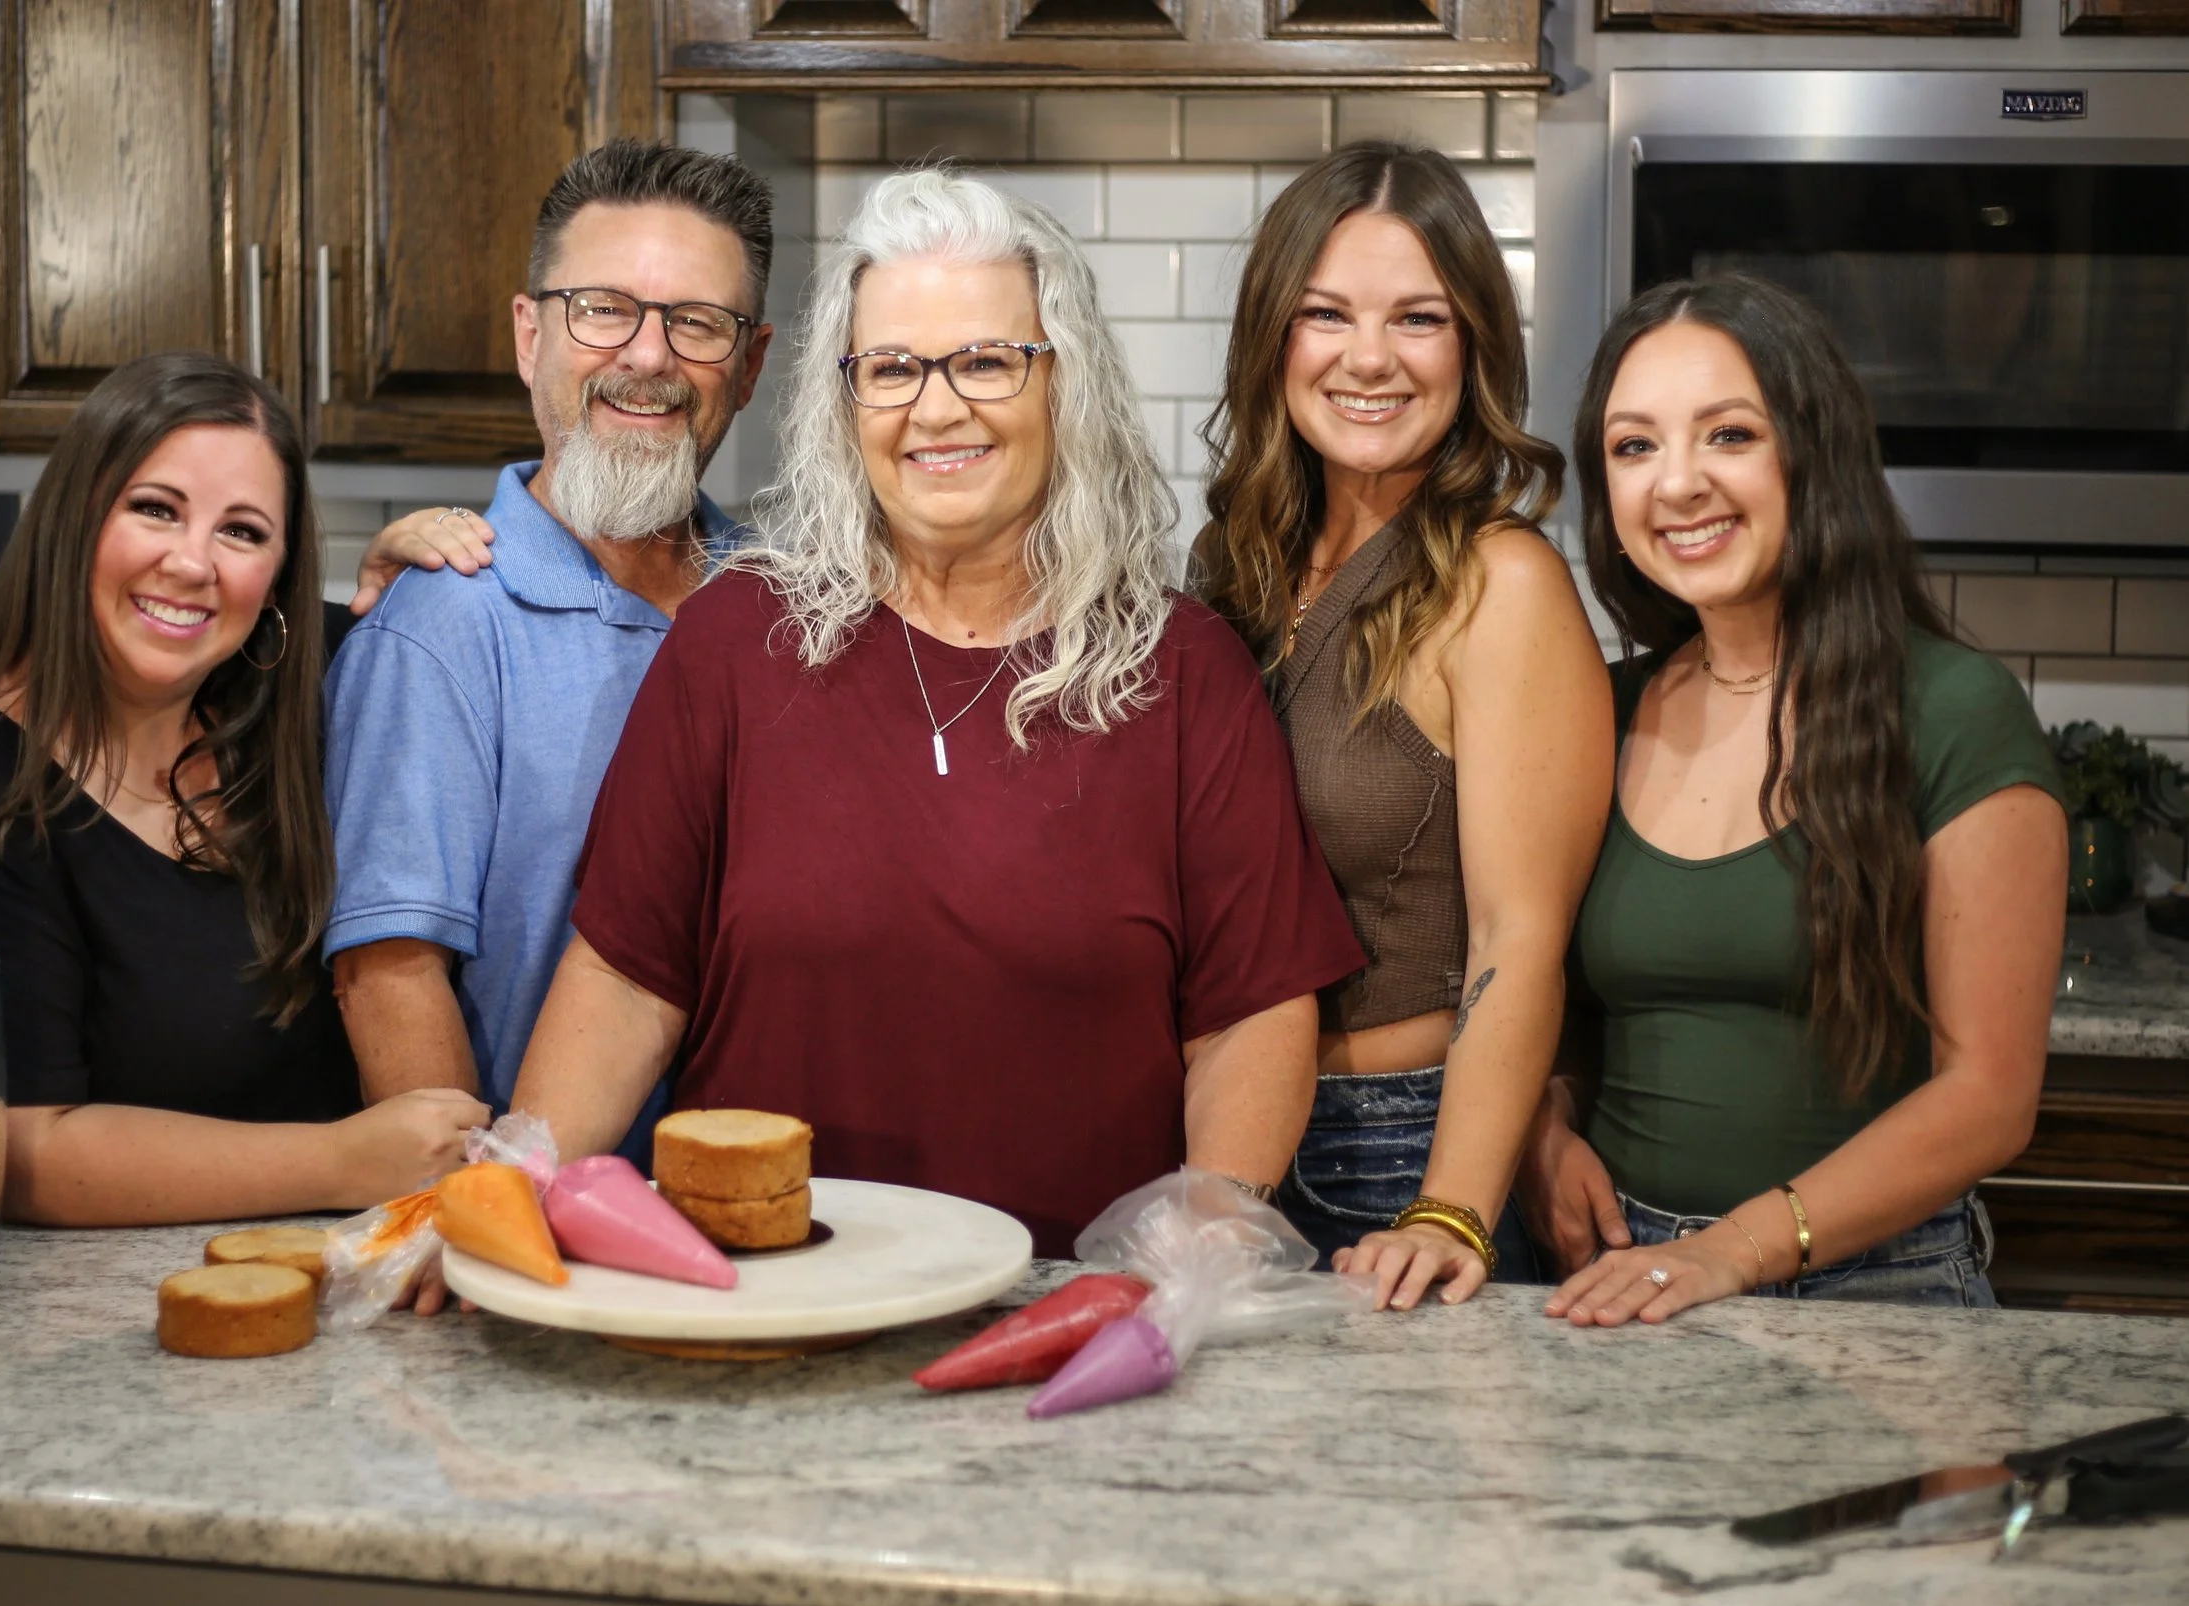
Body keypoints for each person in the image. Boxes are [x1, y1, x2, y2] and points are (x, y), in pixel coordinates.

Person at [511, 169, 1365, 1257]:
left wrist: (1200, 1237)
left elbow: (1250, 1012)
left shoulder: (1183, 670)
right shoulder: (733, 644)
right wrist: (512, 1189)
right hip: (764, 1296)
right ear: (844, 399)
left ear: (1065, 384)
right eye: (894, 368)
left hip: (1069, 1314)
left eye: (985, 361)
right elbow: (627, 983)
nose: (936, 405)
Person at [1524, 273, 2066, 1322]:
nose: (1675, 483)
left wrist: (1731, 1251)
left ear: (1810, 455)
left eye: (1727, 435)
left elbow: (1990, 1098)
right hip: (1614, 1279)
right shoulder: (1603, 708)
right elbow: (1571, 1008)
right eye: (1633, 447)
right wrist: (1542, 1133)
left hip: (1875, 1290)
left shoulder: (1954, 711)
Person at [0, 351, 489, 1225]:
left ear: (278, 576)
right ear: (74, 517)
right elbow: (20, 1150)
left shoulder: (311, 690)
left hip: (364, 1273)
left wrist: (409, 594)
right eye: (156, 509)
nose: (193, 565)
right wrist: (347, 1162)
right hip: (109, 1306)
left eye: (243, 532)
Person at [1192, 142, 1614, 1309]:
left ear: (1471, 344)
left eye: (1417, 318)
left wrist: (1453, 1207)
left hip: (1405, 1147)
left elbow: (1520, 939)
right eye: (1325, 314)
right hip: (1233, 1142)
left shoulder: (1499, 581)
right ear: (1273, 338)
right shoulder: (1235, 565)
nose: (1367, 357)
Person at [322, 139, 774, 1186]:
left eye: (696, 322)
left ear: (748, 368)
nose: (647, 357)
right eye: (601, 307)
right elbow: (390, 975)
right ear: (531, 336)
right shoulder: (438, 625)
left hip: (778, 1217)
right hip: (549, 1240)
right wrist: (472, 1232)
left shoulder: (793, 604)